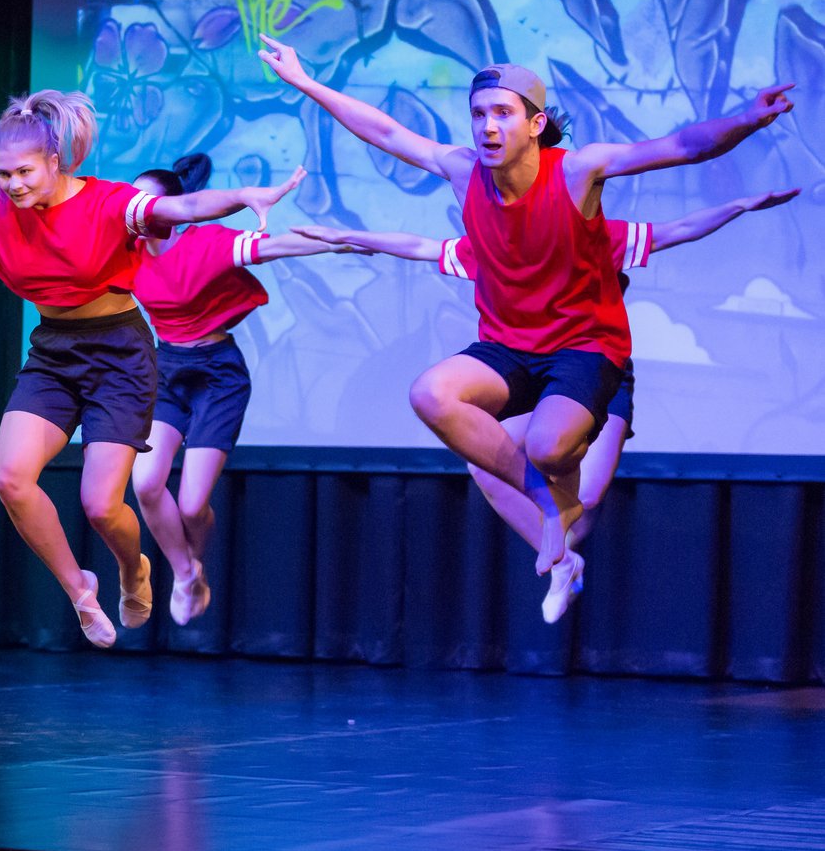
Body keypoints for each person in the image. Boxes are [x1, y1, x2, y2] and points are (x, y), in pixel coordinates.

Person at [259, 33, 794, 576]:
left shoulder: (577, 172)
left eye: (503, 113)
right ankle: (552, 502)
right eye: (478, 114)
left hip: (585, 348)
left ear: (535, 124)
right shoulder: (465, 172)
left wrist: (747, 122)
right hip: (508, 348)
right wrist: (305, 83)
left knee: (546, 446)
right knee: (430, 393)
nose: (488, 127)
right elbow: (386, 133)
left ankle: (560, 490)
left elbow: (681, 146)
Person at [0, 90, 305, 648]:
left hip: (118, 355)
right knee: (10, 478)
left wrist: (244, 196)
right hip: (54, 352)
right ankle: (80, 590)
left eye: (25, 172)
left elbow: (182, 209)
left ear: (54, 161)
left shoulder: (109, 203)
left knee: (100, 506)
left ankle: (133, 566)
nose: (14, 185)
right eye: (5, 173)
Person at [296, 186, 799, 621]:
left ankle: (563, 545)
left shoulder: (595, 238)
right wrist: (347, 236)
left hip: (593, 375)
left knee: (588, 495)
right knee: (485, 466)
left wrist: (740, 204)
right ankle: (561, 561)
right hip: (532, 374)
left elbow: (680, 229)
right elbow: (419, 246)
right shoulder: (500, 246)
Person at [126, 153, 353, 626]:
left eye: (149, 204)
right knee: (145, 483)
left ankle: (197, 560)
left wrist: (345, 241)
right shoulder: (123, 250)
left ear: (175, 210)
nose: (138, 212)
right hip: (167, 370)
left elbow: (280, 247)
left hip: (216, 376)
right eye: (133, 203)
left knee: (192, 505)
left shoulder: (207, 244)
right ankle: (186, 575)